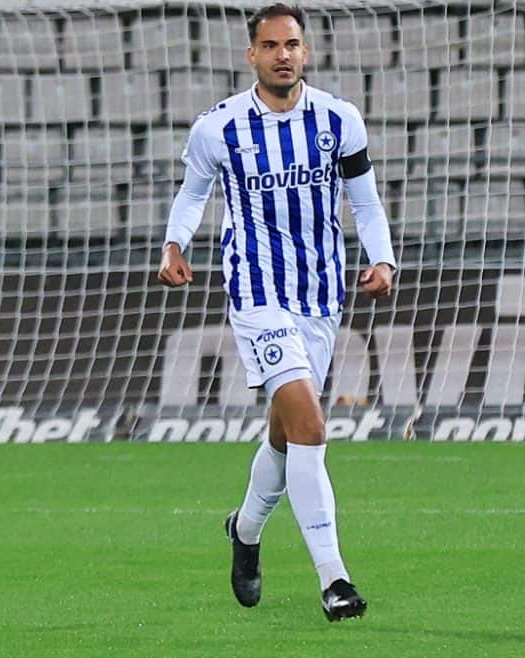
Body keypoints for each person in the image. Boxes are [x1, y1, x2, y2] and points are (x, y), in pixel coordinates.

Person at [157, 3, 396, 621]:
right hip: (257, 293)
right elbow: (193, 192)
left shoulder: (339, 119)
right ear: (252, 55)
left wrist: (383, 258)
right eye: (270, 45)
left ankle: (245, 529)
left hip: (321, 294)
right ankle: (334, 579)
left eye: (291, 44)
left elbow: (365, 202)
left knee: (287, 434)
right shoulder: (219, 127)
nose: (282, 54)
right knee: (311, 427)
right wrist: (174, 244)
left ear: (305, 52)